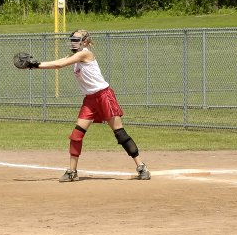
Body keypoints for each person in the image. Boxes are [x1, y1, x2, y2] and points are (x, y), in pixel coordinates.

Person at [33, 29, 150, 182]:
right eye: (72, 40)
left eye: (77, 40)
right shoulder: (75, 56)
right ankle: (72, 171)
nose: (73, 43)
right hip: (90, 100)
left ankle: (141, 167)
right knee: (76, 136)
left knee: (120, 134)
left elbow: (59, 64)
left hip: (104, 96)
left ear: (86, 42)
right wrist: (33, 65)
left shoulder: (85, 54)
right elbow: (58, 62)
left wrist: (35, 65)